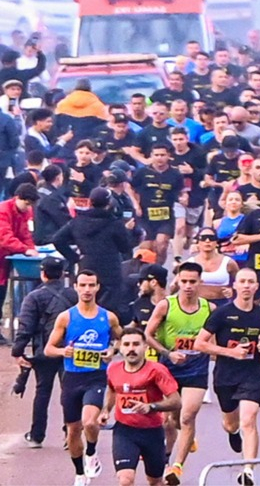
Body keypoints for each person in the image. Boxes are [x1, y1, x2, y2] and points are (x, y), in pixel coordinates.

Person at [45, 270, 123, 486]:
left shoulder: (108, 317)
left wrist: (112, 351)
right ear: (76, 287)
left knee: (90, 422)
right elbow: (49, 348)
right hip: (71, 378)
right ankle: (80, 473)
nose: (87, 290)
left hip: (95, 377)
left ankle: (91, 452)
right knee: (73, 431)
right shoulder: (66, 317)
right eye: (83, 285)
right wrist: (63, 352)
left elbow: (121, 339)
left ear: (98, 287)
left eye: (91, 285)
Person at [194, 268, 260, 486]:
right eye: (242, 281)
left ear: (257, 286)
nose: (246, 286)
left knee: (250, 419)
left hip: (252, 373)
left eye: (251, 282)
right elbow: (200, 343)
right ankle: (233, 431)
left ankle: (248, 470)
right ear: (235, 286)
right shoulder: (221, 314)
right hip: (226, 374)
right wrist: (231, 352)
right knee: (231, 423)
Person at [144, 262, 213, 485]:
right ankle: (181, 442)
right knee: (169, 421)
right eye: (184, 281)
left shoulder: (209, 308)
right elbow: (148, 334)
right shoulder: (166, 306)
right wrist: (167, 353)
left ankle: (177, 466)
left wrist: (212, 351)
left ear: (200, 282)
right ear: (178, 282)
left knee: (187, 416)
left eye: (193, 282)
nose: (188, 286)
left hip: (196, 369)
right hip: (169, 368)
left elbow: (217, 338)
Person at [99, 327, 181, 486]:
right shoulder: (113, 369)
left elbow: (176, 401)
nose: (131, 349)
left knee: (155, 481)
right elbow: (111, 389)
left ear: (145, 347)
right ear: (120, 348)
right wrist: (105, 411)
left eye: (136, 344)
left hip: (152, 432)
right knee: (125, 480)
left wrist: (151, 407)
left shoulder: (157, 371)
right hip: (124, 432)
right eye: (127, 344)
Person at [12, 257, 77, 447]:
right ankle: (70, 434)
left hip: (44, 350)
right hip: (69, 350)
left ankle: (37, 435)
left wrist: (18, 351)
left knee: (42, 392)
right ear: (63, 273)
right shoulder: (73, 295)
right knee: (70, 392)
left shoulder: (34, 297)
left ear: (42, 273)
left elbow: (26, 327)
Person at [53, 187, 133, 317]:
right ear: (109, 204)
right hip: (110, 270)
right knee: (109, 310)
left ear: (90, 202)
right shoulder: (115, 224)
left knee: (85, 306)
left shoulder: (77, 221)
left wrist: (74, 257)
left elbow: (57, 240)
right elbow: (125, 248)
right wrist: (128, 231)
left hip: (86, 267)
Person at [130, 144, 186, 265]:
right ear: (151, 156)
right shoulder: (142, 172)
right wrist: (136, 204)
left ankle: (158, 269)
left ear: (168, 156)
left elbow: (182, 191)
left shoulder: (175, 174)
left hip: (165, 216)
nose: (159, 158)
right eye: (156, 155)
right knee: (146, 247)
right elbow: (130, 187)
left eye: (162, 155)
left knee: (161, 244)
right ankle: (144, 272)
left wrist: (183, 198)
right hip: (145, 216)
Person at [0, 183, 39, 343]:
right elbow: (4, 237)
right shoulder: (3, 211)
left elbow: (25, 234)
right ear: (18, 198)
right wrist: (25, 250)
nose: (28, 208)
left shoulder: (26, 212)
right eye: (27, 204)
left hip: (5, 261)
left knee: (1, 295)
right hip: (3, 255)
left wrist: (31, 249)